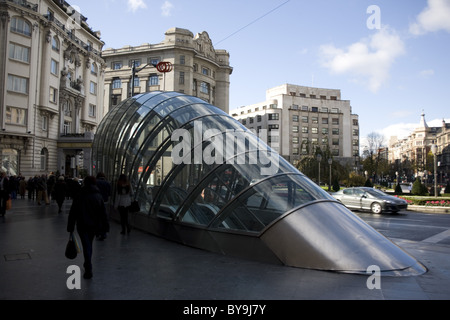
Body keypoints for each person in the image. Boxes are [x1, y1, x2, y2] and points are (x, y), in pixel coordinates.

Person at [67, 176, 109, 279]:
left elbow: (73, 212)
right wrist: (105, 226)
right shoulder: (98, 196)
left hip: (82, 224)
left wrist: (70, 226)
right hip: (94, 225)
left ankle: (88, 266)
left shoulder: (80, 195)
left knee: (86, 245)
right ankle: (88, 264)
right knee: (89, 244)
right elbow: (103, 213)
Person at [96, 172, 111, 240]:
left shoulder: (96, 182)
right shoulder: (107, 183)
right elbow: (110, 193)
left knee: (97, 217)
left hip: (97, 202)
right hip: (105, 201)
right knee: (104, 217)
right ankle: (103, 232)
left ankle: (98, 231)